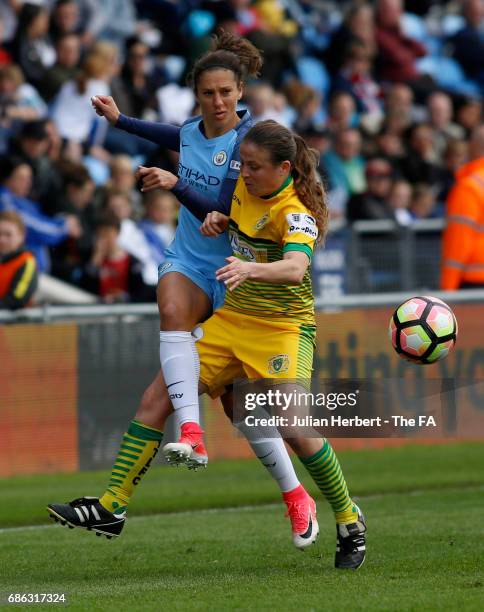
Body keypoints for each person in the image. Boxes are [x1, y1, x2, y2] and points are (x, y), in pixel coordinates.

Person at [47, 120, 366, 570]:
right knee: (156, 399)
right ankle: (111, 506)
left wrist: (250, 269)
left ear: (284, 168)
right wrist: (219, 217)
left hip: (282, 327)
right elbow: (228, 213)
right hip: (232, 320)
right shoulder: (244, 188)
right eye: (243, 165)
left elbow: (295, 267)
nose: (245, 173)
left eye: (254, 167)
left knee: (294, 425)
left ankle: (350, 519)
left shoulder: (295, 211)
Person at [441, 125, 484, 290]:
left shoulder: (470, 187)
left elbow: (458, 244)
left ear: (472, 147)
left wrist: (448, 291)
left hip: (475, 283)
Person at [0, 210, 38, 309]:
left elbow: (17, 299)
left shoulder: (26, 261)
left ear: (21, 237)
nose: (2, 240)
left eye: (8, 235)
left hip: (15, 322)